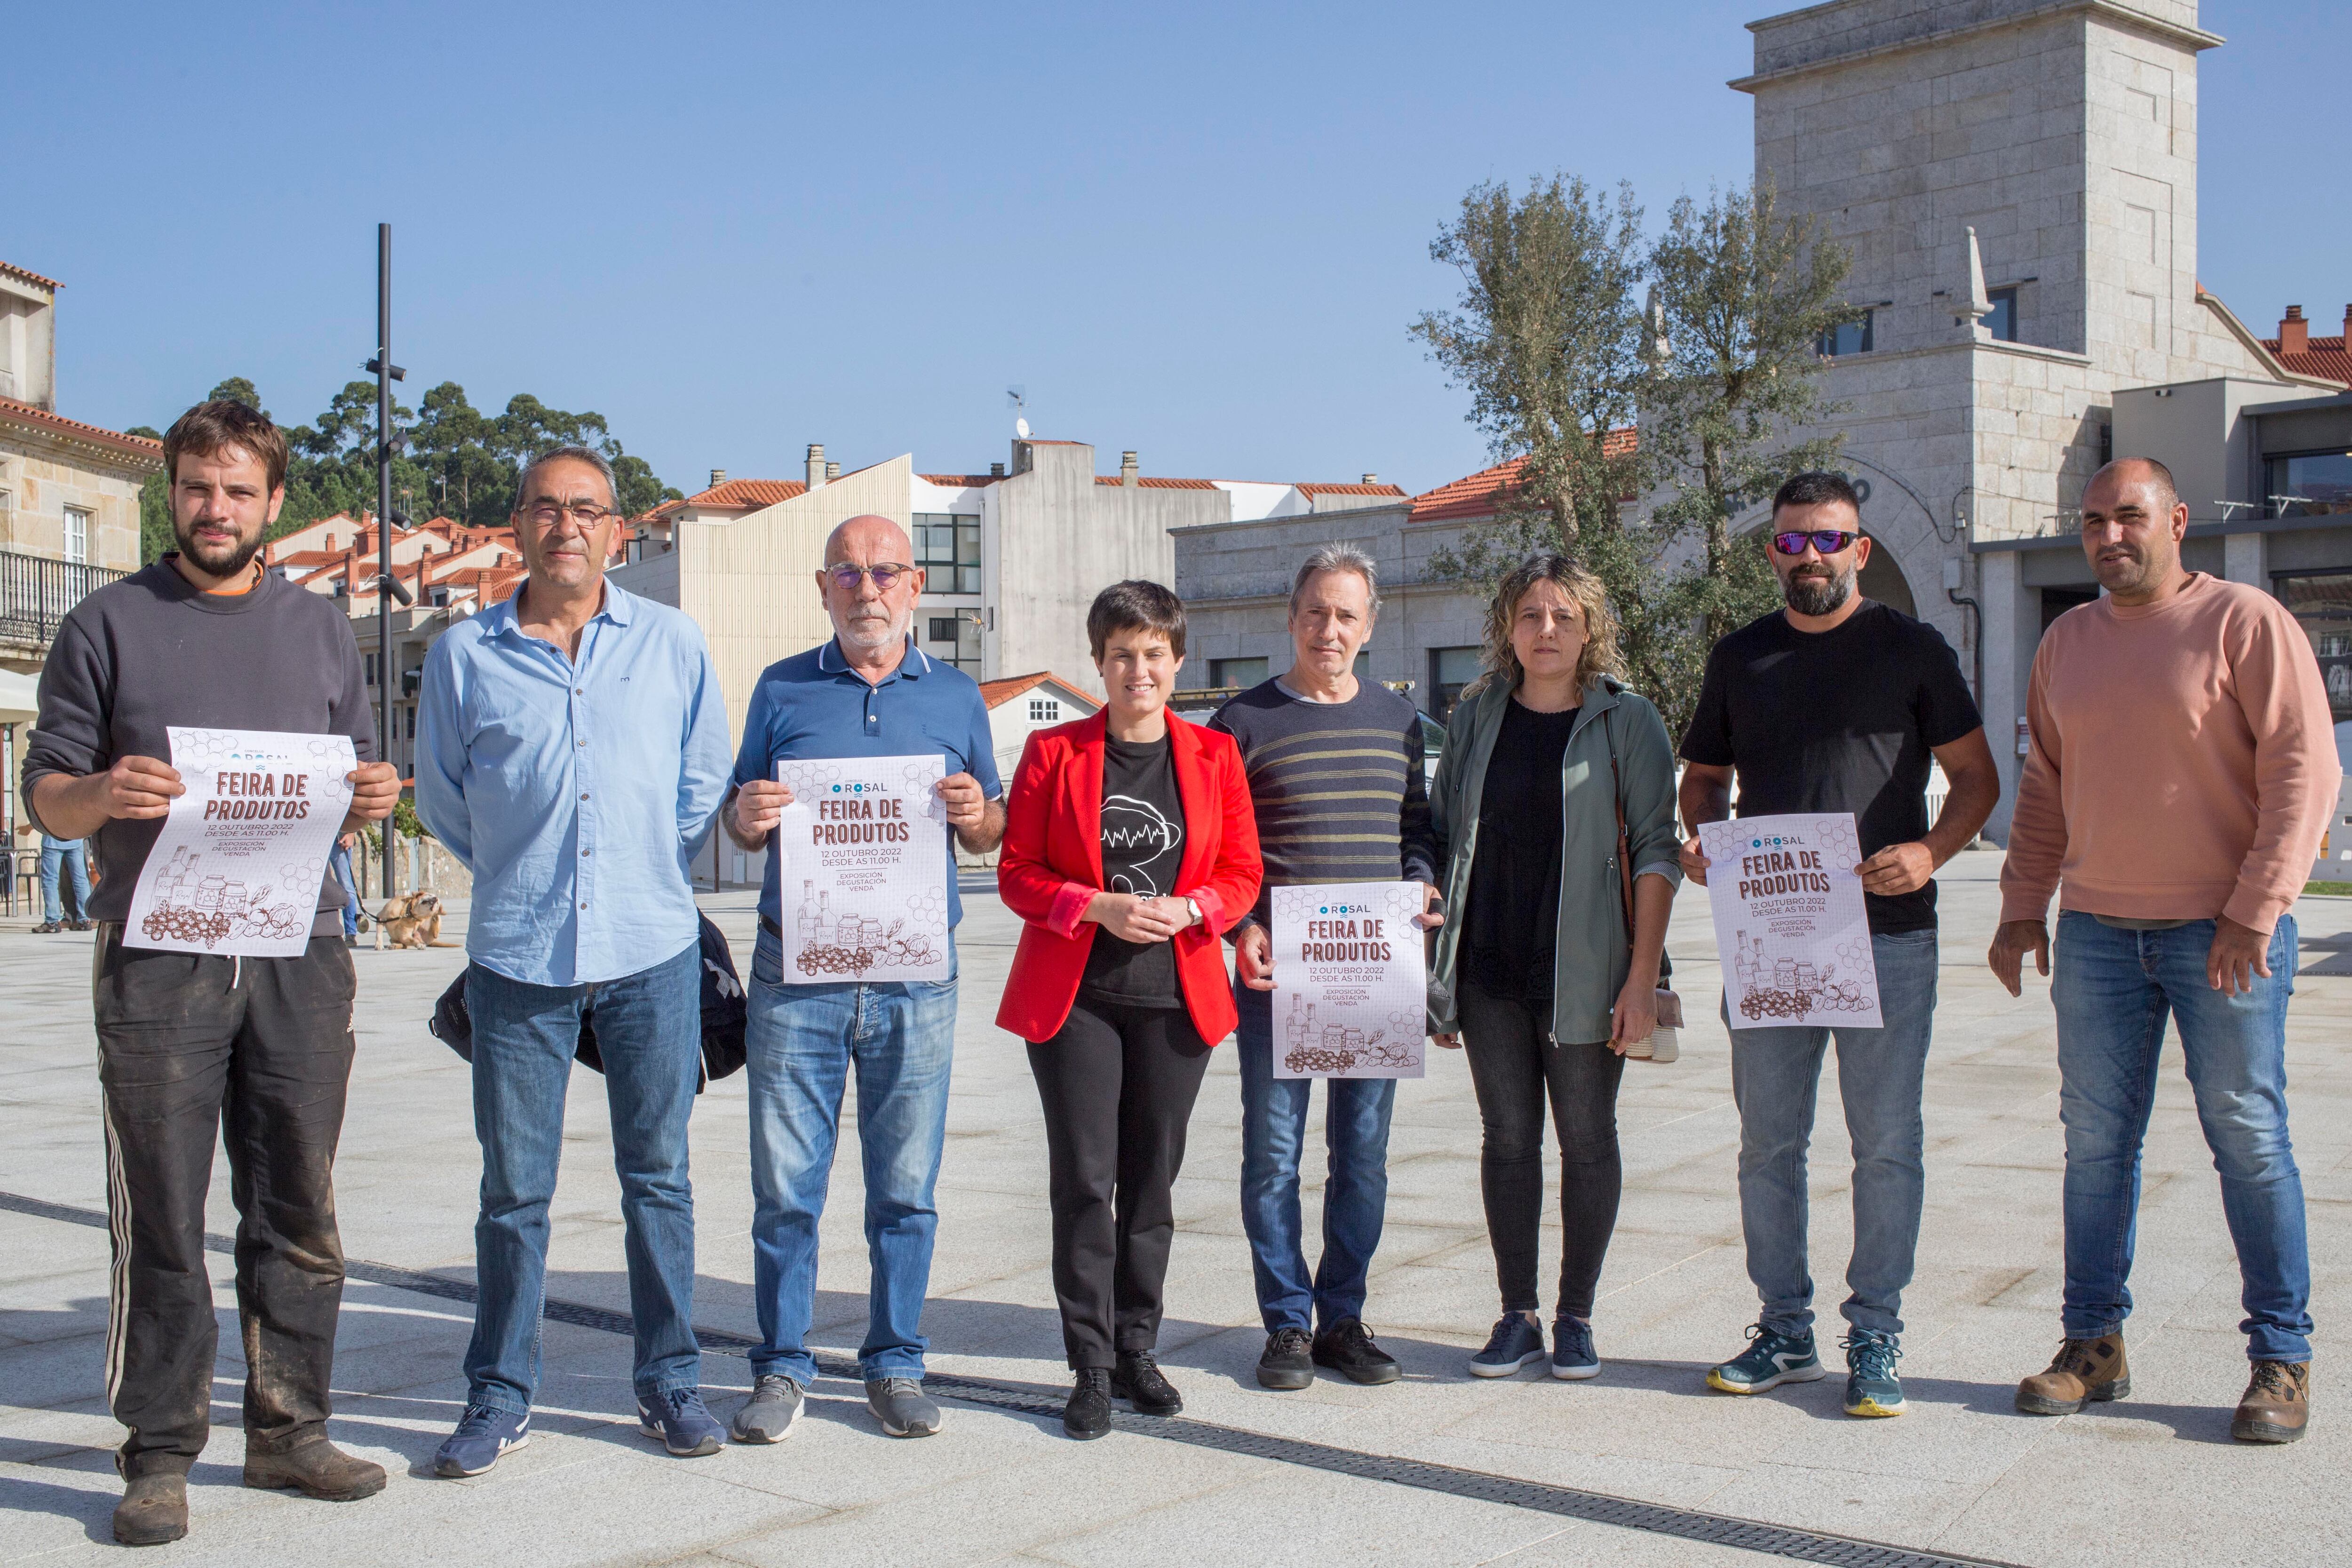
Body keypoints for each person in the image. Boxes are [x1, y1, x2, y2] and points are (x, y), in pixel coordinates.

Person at [22, 399, 401, 1546]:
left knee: (298, 1202)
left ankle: (290, 1431)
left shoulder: (323, 629)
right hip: (158, 957)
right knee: (163, 1216)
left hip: (302, 953)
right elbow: (47, 790)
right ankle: (159, 1452)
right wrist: (103, 796)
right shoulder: (107, 622)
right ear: (170, 493)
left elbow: (354, 772)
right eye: (197, 487)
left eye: (239, 491)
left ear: (274, 503)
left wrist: (377, 796)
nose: (216, 508)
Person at [1991, 457, 2335, 1445]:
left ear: (2177, 520)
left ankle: (2280, 1356)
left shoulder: (2246, 623)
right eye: (2093, 521)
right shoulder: (2066, 640)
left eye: (2128, 517)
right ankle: (2091, 1347)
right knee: (2095, 1147)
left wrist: (2253, 909)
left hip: (2221, 934)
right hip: (2098, 932)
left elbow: (2302, 777)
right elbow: (2047, 786)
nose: (2109, 537)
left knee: (2248, 1139)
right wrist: (2023, 906)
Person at [414, 444, 731, 1476]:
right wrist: (525, 869)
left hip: (651, 946)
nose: (566, 526)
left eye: (585, 510)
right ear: (515, 525)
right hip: (519, 951)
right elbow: (446, 797)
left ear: (617, 531)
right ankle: (500, 1391)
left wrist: (637, 863)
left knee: (660, 1178)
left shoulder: (672, 643)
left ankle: (670, 1379)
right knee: (514, 1189)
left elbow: (699, 780)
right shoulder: (467, 655)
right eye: (546, 509)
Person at [1679, 471, 1998, 1419]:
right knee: (1767, 1145)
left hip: (1888, 936)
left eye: (1827, 540)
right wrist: (1702, 840)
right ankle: (1784, 1327)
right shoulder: (1741, 658)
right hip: (1769, 937)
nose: (1808, 556)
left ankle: (1876, 1330)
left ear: (1860, 549)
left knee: (1885, 1145)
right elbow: (1703, 780)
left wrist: (1931, 851)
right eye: (1790, 541)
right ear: (1769, 551)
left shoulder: (1913, 648)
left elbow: (1977, 778)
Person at [720, 514, 1005, 1444]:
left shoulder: (956, 696)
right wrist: (750, 813)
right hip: (795, 969)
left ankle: (894, 1360)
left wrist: (977, 813)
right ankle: (782, 1364)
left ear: (915, 585)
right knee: (786, 1185)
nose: (867, 588)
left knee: (905, 1186)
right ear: (823, 587)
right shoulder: (780, 688)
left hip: (914, 975)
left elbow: (992, 826)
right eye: (848, 574)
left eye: (884, 571)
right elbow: (738, 818)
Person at [997, 581, 1261, 1440]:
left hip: (1175, 1000)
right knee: (1084, 1180)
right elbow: (1018, 873)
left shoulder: (1215, 757)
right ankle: (1090, 1362)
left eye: (1153, 653)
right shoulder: (1053, 752)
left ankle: (1138, 1344)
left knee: (1152, 1184)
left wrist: (1194, 911)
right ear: (1100, 662)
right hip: (1076, 1000)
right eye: (1121, 654)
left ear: (1177, 663)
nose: (1137, 669)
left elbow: (1242, 872)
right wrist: (1096, 904)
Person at [1425, 553, 1681, 1383]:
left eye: (1563, 616)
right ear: (1507, 626)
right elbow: (1439, 831)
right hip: (1489, 965)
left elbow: (1655, 850)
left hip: (1588, 968)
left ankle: (1576, 1316)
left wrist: (1642, 979)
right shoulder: (1475, 716)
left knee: (1587, 1136)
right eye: (1530, 615)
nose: (1546, 630)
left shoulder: (1627, 720)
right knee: (1507, 1137)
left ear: (1589, 627)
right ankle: (1516, 1313)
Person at [1212, 544, 1439, 1391]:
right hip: (1280, 973)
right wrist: (1240, 924)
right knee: (1273, 1154)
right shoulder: (1242, 721)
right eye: (1316, 611)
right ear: (1292, 615)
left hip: (1376, 969)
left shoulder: (1400, 721)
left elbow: (1419, 828)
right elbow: (1221, 846)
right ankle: (1285, 1322)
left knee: (1364, 1155)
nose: (1330, 628)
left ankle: (1342, 1315)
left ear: (1370, 624)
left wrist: (1421, 884)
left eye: (1347, 614)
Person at [34, 829, 93, 932]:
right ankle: (85, 920)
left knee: (50, 881)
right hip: (75, 839)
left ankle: (52, 922)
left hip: (52, 839)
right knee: (80, 880)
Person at [329, 830, 362, 945]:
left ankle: (350, 934)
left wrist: (351, 832)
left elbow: (350, 812)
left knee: (346, 886)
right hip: (315, 835)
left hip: (338, 837)